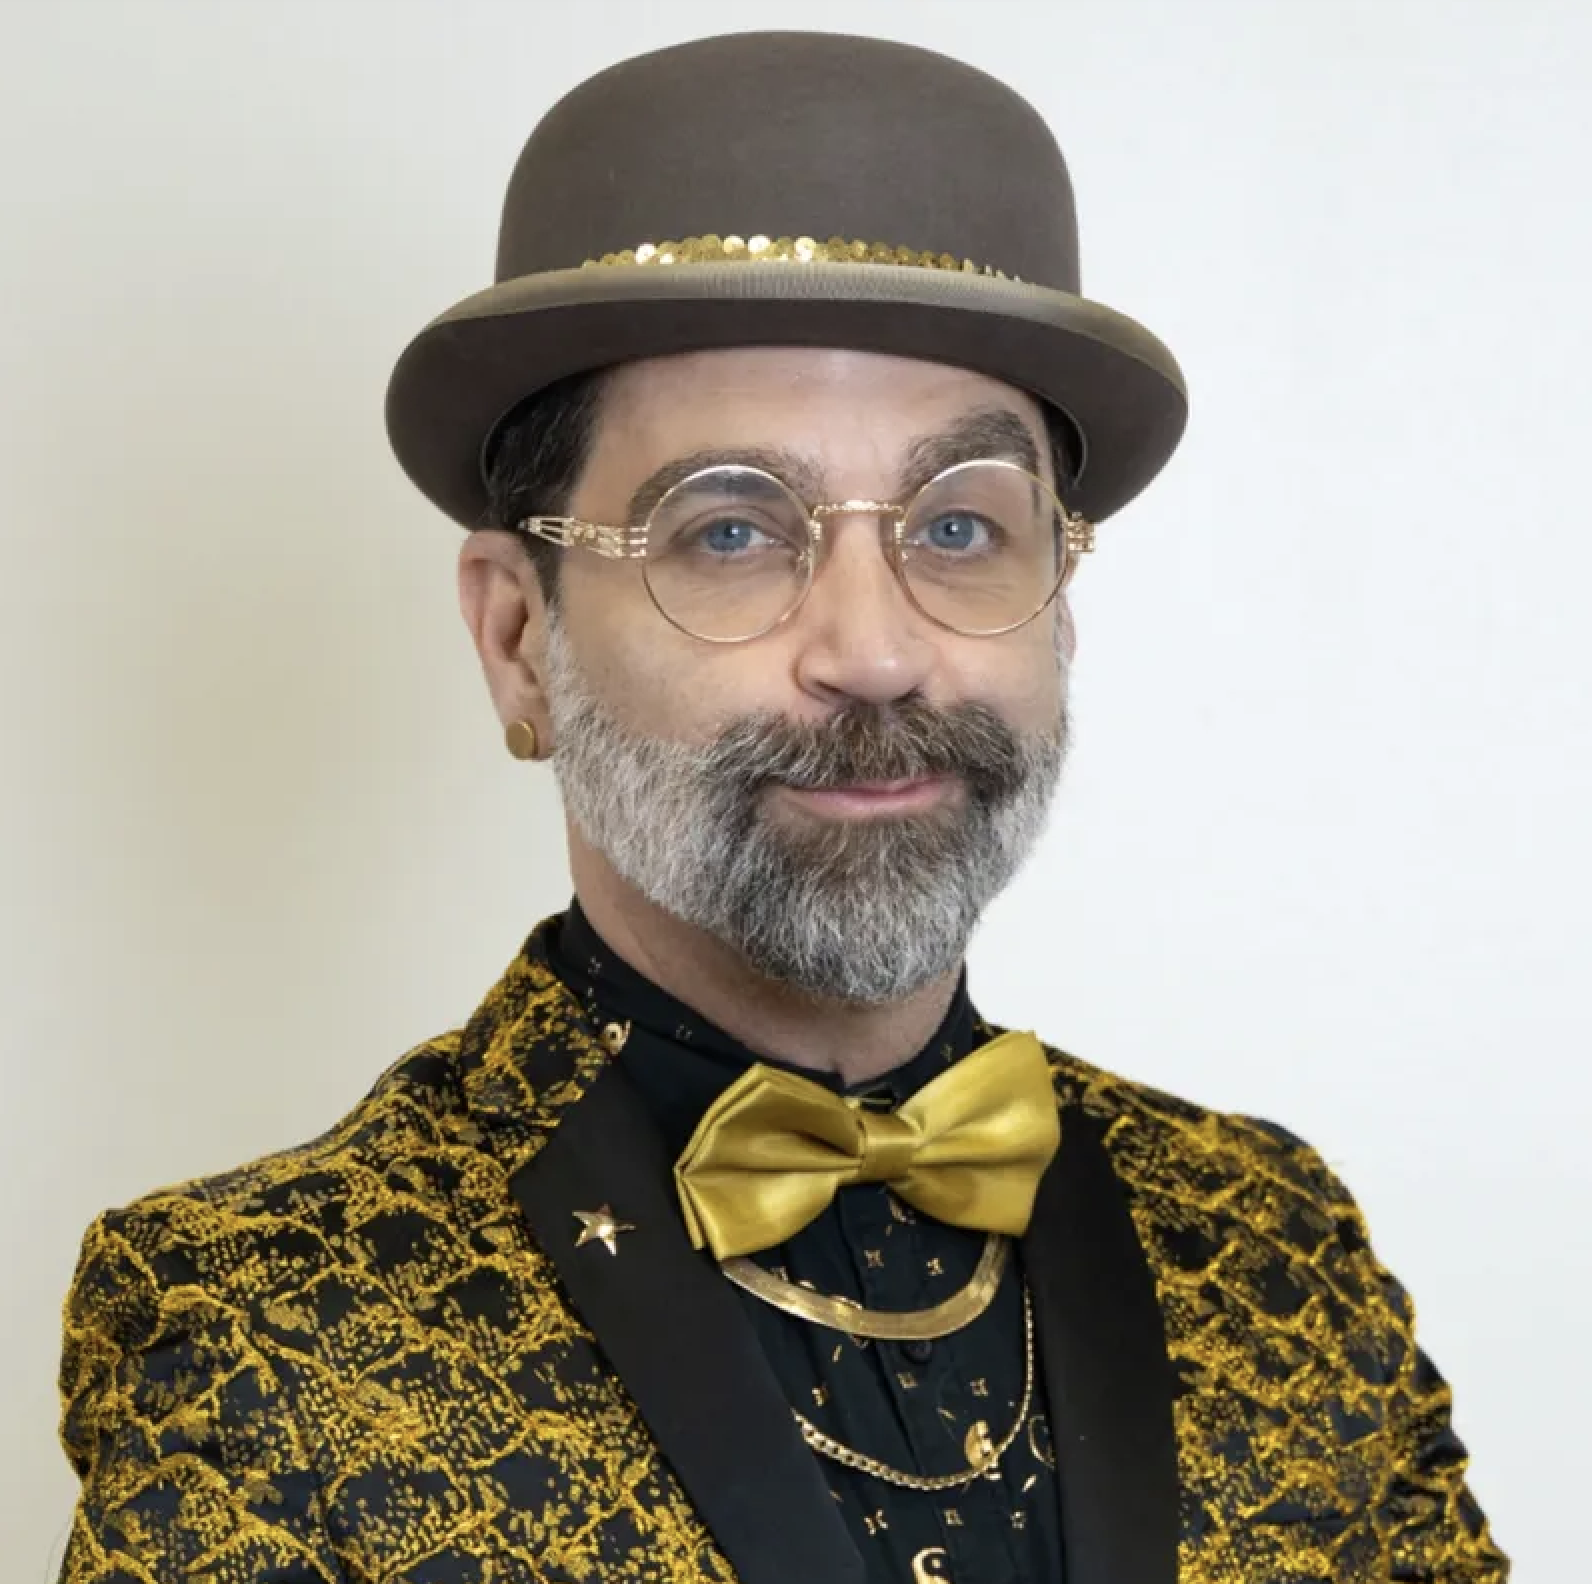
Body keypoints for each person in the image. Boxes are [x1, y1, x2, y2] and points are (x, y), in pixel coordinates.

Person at [53, 30, 1507, 1584]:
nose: (877, 652)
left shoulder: (1276, 1251)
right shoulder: (263, 1324)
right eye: (732, 532)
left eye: (961, 526)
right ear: (517, 638)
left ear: (1061, 611)